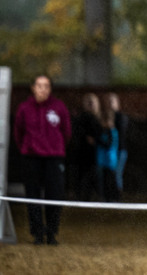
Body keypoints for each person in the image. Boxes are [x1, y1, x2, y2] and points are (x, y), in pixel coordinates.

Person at [13, 74, 71, 245]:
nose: (43, 89)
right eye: (39, 85)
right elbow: (18, 133)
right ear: (33, 88)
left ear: (50, 89)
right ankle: (37, 233)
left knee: (54, 195)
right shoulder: (24, 108)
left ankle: (52, 233)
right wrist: (27, 148)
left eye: (46, 86)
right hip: (31, 158)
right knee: (32, 196)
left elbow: (66, 132)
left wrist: (56, 149)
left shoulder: (59, 107)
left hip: (54, 159)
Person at [71, 92, 102, 200]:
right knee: (81, 175)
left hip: (95, 152)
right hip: (82, 151)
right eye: (88, 103)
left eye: (92, 103)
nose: (90, 105)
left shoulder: (99, 118)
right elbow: (77, 132)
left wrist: (96, 140)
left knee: (94, 175)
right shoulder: (81, 118)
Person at [105, 92, 129, 195]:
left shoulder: (121, 117)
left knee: (117, 174)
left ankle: (117, 196)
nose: (110, 104)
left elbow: (122, 133)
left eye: (112, 102)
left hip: (119, 150)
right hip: (108, 150)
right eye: (108, 102)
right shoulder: (105, 116)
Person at [95, 109, 120, 202]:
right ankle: (107, 198)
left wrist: (97, 141)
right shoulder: (104, 131)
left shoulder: (112, 132)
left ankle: (114, 198)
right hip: (104, 161)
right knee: (105, 181)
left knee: (111, 180)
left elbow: (108, 144)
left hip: (110, 161)